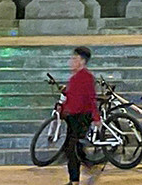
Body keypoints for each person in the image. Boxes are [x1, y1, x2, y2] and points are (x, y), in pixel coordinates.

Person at [60, 45, 98, 184]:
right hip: (72, 118)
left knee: (72, 149)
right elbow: (70, 98)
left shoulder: (86, 78)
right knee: (72, 149)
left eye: (75, 59)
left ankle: (76, 178)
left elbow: (91, 98)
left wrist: (96, 117)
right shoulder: (74, 78)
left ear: (82, 61)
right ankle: (80, 171)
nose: (71, 62)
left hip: (81, 117)